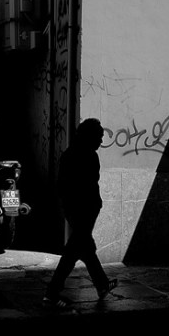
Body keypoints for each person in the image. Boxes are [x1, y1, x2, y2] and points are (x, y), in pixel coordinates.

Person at [44, 118, 118, 307]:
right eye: (99, 137)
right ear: (89, 136)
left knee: (85, 247)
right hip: (84, 209)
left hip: (76, 209)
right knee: (73, 250)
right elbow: (87, 184)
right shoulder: (87, 156)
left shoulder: (70, 154)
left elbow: (63, 186)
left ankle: (102, 285)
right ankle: (52, 293)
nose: (101, 141)